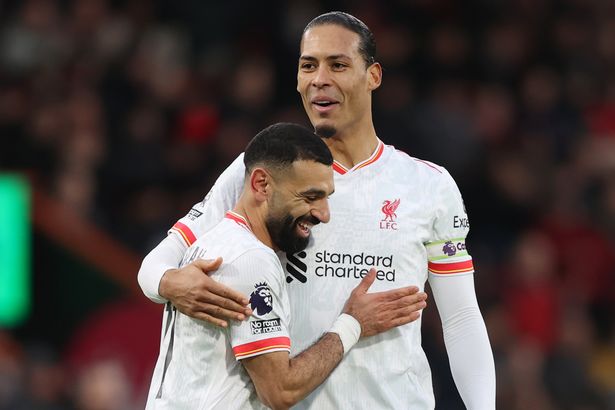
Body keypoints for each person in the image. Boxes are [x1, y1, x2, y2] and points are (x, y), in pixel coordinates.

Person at [139, 11, 496, 409]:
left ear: (373, 76)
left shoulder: (429, 186)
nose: (319, 79)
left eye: (337, 65)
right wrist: (169, 283)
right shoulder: (261, 172)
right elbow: (156, 264)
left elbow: (461, 319)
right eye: (308, 65)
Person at [144, 123, 425, 410]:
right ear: (261, 184)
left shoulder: (210, 243)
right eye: (310, 197)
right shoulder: (250, 260)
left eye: (327, 197)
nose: (324, 214)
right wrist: (353, 323)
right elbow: (280, 391)